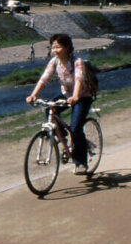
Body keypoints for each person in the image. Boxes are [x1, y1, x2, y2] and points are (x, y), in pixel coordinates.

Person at [26, 33, 94, 175]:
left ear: (67, 47)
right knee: (49, 109)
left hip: (82, 96)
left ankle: (81, 161)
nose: (55, 50)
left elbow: (79, 79)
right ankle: (61, 134)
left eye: (58, 47)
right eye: (53, 47)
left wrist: (75, 96)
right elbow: (44, 79)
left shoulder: (77, 61)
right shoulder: (54, 61)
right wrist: (33, 95)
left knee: (76, 128)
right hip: (66, 95)